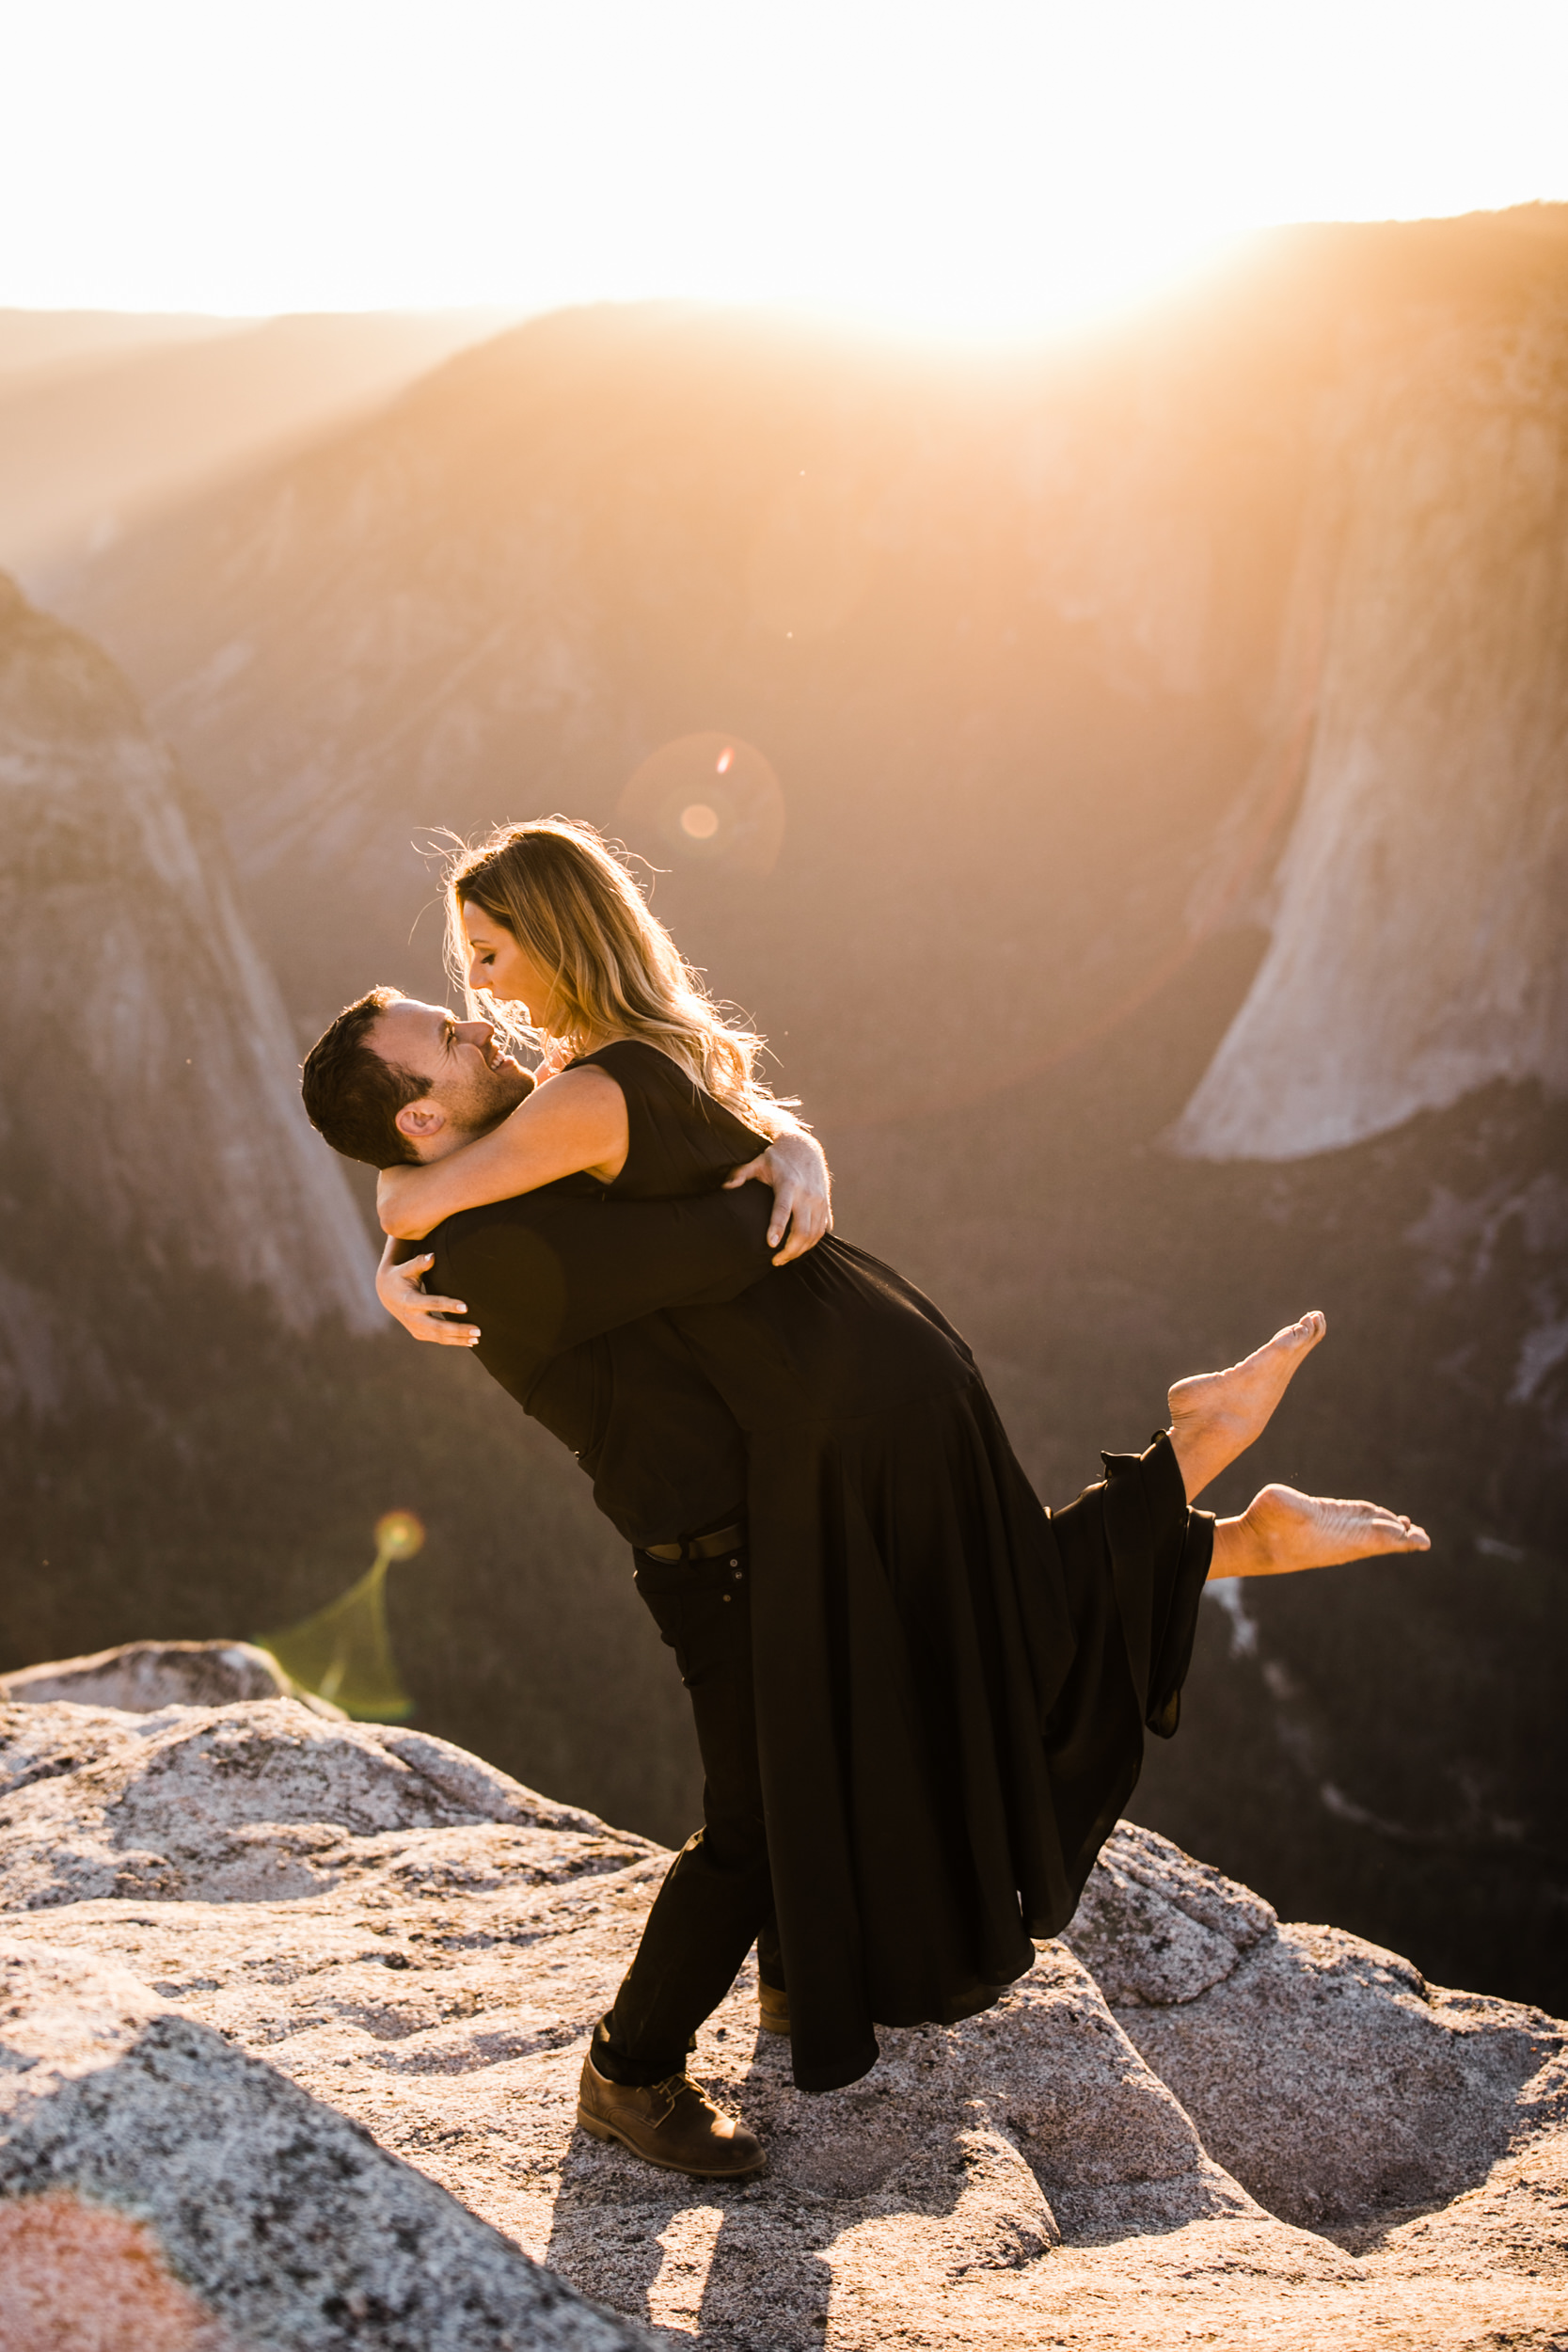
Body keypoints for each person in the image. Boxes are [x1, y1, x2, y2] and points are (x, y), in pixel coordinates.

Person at [302, 816, 1430, 2182]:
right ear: (421, 1116)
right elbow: (710, 1241)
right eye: (455, 1020)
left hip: (784, 1495)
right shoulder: (497, 1224)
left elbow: (653, 1177)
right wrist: (774, 1166)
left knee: (905, 1690)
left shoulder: (551, 1131)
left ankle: (784, 1983)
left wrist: (783, 1156)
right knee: (824, 1761)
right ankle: (631, 2071)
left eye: (485, 968)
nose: (483, 1014)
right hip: (730, 1540)